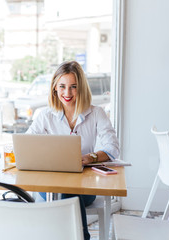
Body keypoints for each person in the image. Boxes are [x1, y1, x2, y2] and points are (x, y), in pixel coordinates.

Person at [26, 60, 119, 240]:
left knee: (69, 192)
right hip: (50, 186)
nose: (67, 93)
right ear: (54, 87)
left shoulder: (96, 113)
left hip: (84, 188)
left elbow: (113, 148)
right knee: (63, 192)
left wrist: (90, 157)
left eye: (73, 87)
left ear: (81, 88)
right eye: (62, 86)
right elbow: (25, 143)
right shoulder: (45, 115)